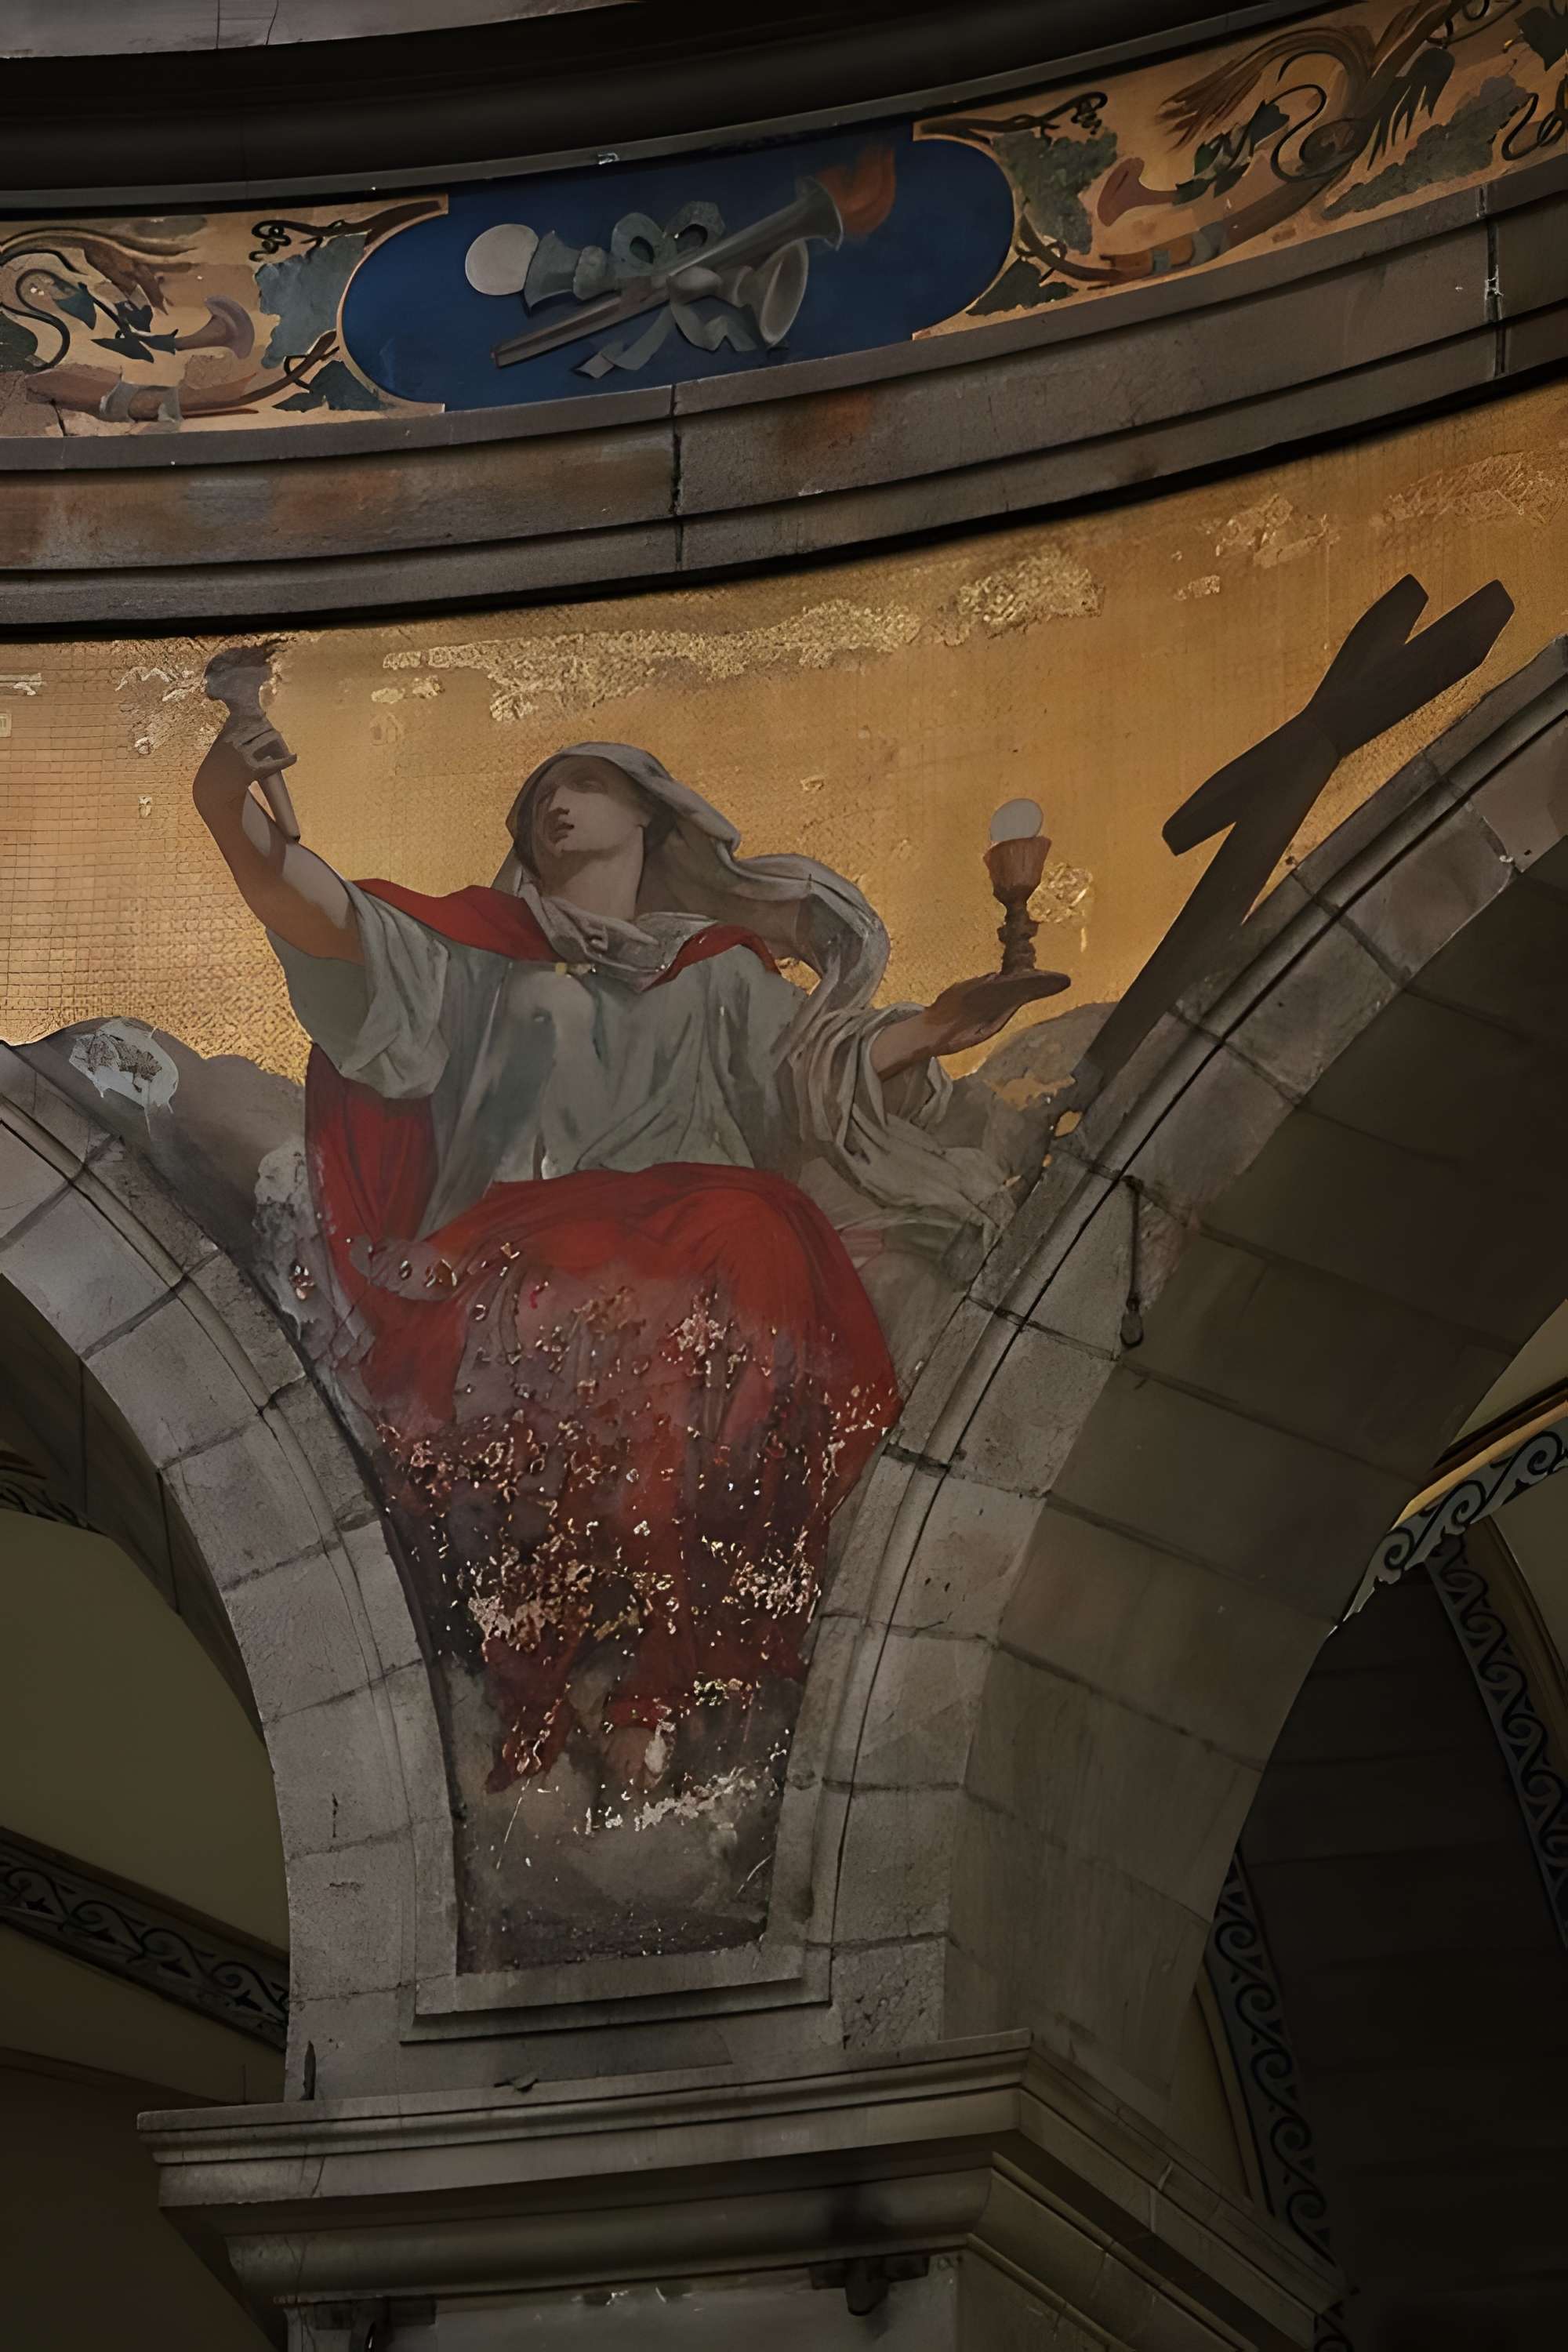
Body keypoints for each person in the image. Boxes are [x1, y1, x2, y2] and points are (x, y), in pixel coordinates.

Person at [194, 720, 1064, 1802]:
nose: (560, 804)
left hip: (698, 1215)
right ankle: (564, 1678)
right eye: (543, 795)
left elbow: (802, 1080)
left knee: (749, 1242)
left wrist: (932, 1027)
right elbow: (322, 915)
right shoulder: (472, 951)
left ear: (649, 812)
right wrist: (230, 801)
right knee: (589, 1309)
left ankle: (662, 1678)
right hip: (517, 1231)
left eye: (589, 784)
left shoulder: (721, 967)